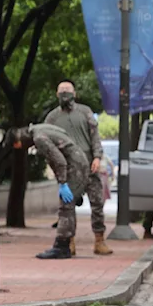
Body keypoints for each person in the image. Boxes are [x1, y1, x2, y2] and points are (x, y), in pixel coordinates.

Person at [44, 79, 111, 255]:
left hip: (89, 164)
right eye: (62, 90)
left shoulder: (85, 112)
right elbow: (47, 144)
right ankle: (69, 241)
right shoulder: (52, 118)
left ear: (75, 94)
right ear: (57, 95)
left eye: (68, 90)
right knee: (67, 206)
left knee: (97, 202)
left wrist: (97, 157)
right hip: (68, 168)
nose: (65, 93)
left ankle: (99, 240)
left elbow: (94, 135)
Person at [9, 124, 91, 260]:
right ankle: (67, 244)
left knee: (66, 205)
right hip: (79, 162)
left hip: (74, 166)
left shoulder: (39, 138)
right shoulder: (40, 128)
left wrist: (63, 183)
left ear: (19, 140)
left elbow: (59, 161)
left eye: (17, 145)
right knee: (68, 203)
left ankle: (62, 247)